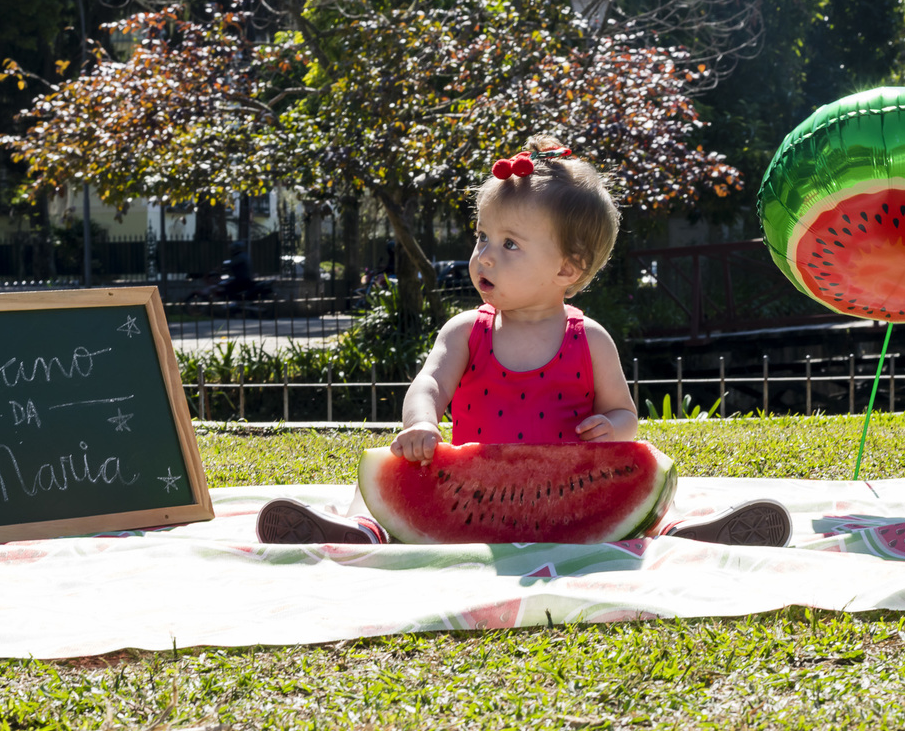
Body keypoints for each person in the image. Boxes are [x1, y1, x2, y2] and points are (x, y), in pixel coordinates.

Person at [257, 135, 790, 546]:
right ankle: (361, 532)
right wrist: (420, 422)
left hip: (572, 497)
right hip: (469, 495)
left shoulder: (591, 341)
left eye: (509, 244)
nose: (484, 255)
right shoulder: (467, 331)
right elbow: (428, 385)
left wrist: (612, 428)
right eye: (482, 237)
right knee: (381, 480)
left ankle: (682, 534)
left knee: (649, 493)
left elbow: (625, 416)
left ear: (568, 267)